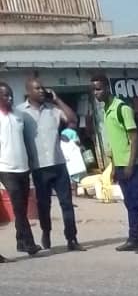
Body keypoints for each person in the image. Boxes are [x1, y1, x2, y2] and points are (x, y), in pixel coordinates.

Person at [92, 73, 138, 253]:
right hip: (119, 165)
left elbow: (134, 138)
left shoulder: (122, 108)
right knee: (129, 203)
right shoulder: (106, 110)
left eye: (99, 89)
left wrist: (130, 164)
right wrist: (112, 167)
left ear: (107, 88)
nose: (96, 93)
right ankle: (133, 238)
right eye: (94, 90)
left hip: (132, 165)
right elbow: (115, 141)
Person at [18, 78, 83, 252]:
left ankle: (72, 238)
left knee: (67, 204)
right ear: (28, 91)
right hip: (39, 167)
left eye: (42, 88)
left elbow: (72, 119)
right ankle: (46, 231)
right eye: (37, 88)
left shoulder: (53, 110)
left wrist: (58, 100)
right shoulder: (21, 113)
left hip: (59, 163)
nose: (41, 91)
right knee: (43, 205)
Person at [0, 81, 36, 260]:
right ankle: (30, 244)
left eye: (10, 94)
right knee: (19, 208)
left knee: (21, 205)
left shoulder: (19, 115)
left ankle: (21, 241)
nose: (9, 98)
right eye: (5, 95)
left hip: (23, 167)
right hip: (5, 168)